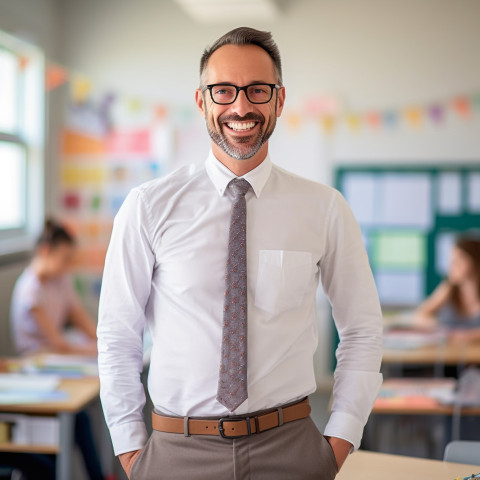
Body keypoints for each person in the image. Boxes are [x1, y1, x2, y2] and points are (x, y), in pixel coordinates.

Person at [98, 27, 383, 480]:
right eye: (224, 91)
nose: (241, 106)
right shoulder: (148, 206)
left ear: (279, 99)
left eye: (257, 90)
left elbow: (363, 330)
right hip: (176, 451)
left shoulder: (324, 208)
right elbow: (117, 335)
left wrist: (340, 441)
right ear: (201, 101)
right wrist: (132, 450)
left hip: (291, 449)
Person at [9, 219, 104, 480]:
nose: (67, 265)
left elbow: (79, 317)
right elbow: (57, 342)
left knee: (81, 419)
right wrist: (96, 350)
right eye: (64, 258)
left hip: (60, 363)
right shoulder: (30, 290)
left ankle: (99, 475)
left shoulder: (60, 280)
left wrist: (103, 340)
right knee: (77, 420)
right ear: (45, 251)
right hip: (38, 367)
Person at [415, 236, 480, 343]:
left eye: (458, 260)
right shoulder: (448, 288)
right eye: (452, 260)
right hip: (451, 352)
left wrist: (470, 336)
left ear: (475, 260)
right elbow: (420, 315)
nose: (452, 265)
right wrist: (442, 328)